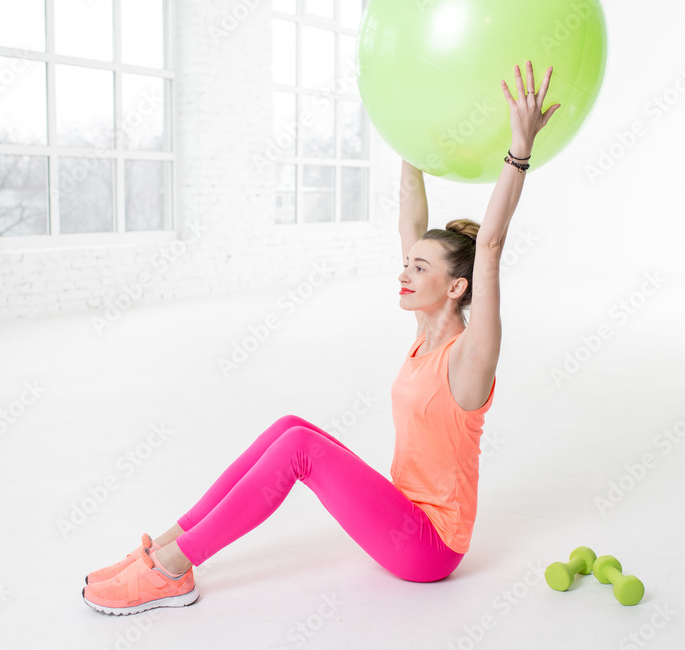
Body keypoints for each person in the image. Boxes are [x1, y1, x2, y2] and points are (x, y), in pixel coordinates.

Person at [82, 62, 560, 616]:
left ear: (456, 286)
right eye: (406, 263)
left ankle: (171, 570)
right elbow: (410, 214)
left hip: (430, 548)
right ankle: (165, 547)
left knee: (299, 450)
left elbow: (492, 246)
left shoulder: (471, 356)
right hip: (403, 513)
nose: (403, 273)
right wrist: (405, 129)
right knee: (290, 427)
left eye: (419, 268)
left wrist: (518, 151)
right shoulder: (423, 335)